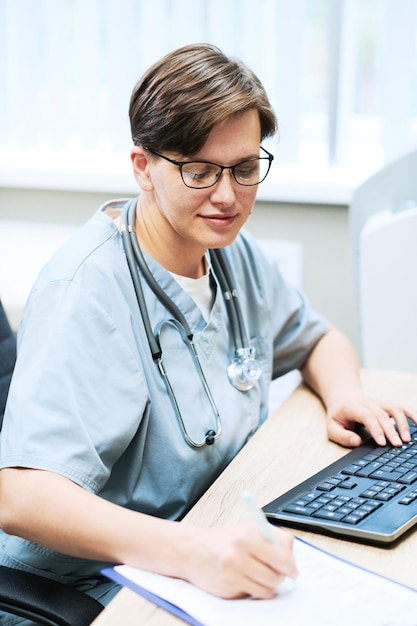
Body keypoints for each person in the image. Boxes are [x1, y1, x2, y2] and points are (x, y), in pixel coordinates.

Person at [0, 43, 416, 621]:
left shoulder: (227, 252)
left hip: (202, 539)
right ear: (143, 167)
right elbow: (21, 498)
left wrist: (345, 394)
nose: (227, 196)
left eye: (245, 169)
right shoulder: (87, 291)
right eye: (198, 170)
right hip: (89, 584)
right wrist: (192, 551)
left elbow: (319, 339)